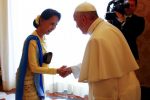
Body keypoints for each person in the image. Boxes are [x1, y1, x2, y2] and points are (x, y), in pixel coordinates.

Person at [60, 2, 141, 100]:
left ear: (84, 19)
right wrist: (71, 69)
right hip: (129, 90)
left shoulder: (97, 38)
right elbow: (101, 63)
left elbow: (105, 84)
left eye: (75, 21)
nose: (76, 26)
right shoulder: (108, 28)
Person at [15, 8, 65, 100]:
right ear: (41, 21)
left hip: (37, 77)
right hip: (28, 79)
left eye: (56, 25)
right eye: (52, 23)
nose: (53, 28)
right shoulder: (32, 41)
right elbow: (34, 68)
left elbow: (40, 62)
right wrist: (57, 71)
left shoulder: (42, 38)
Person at [106, 0, 147, 99]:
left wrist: (123, 21)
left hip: (131, 54)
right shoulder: (113, 17)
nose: (129, 7)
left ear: (136, 7)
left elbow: (133, 34)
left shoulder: (140, 20)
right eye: (126, 5)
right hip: (114, 54)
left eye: (132, 5)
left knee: (130, 83)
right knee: (113, 81)